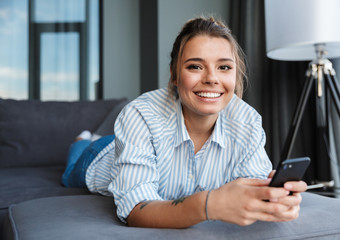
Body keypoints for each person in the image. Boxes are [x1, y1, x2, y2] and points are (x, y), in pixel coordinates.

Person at [62, 16, 307, 228]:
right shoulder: (140, 114)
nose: (212, 79)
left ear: (235, 74)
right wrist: (208, 204)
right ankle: (83, 140)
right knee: (72, 169)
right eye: (195, 66)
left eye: (223, 67)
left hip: (134, 146)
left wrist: (273, 198)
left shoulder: (248, 122)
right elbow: (136, 211)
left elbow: (252, 187)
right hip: (100, 157)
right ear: (174, 75)